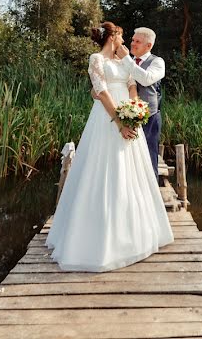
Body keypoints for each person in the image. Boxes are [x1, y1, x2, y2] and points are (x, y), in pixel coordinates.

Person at [45, 22, 173, 271]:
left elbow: (134, 85)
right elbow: (101, 92)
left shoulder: (141, 61)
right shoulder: (97, 59)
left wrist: (134, 115)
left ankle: (134, 229)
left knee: (134, 171)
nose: (127, 43)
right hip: (106, 120)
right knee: (102, 169)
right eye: (124, 39)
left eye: (133, 41)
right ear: (112, 36)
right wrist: (119, 122)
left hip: (133, 118)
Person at [115, 27, 165, 184]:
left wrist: (126, 60)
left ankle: (152, 199)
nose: (132, 44)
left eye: (138, 41)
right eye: (132, 40)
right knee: (127, 160)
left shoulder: (157, 62)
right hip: (124, 119)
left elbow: (145, 79)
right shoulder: (124, 61)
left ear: (148, 46)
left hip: (149, 119)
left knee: (149, 160)